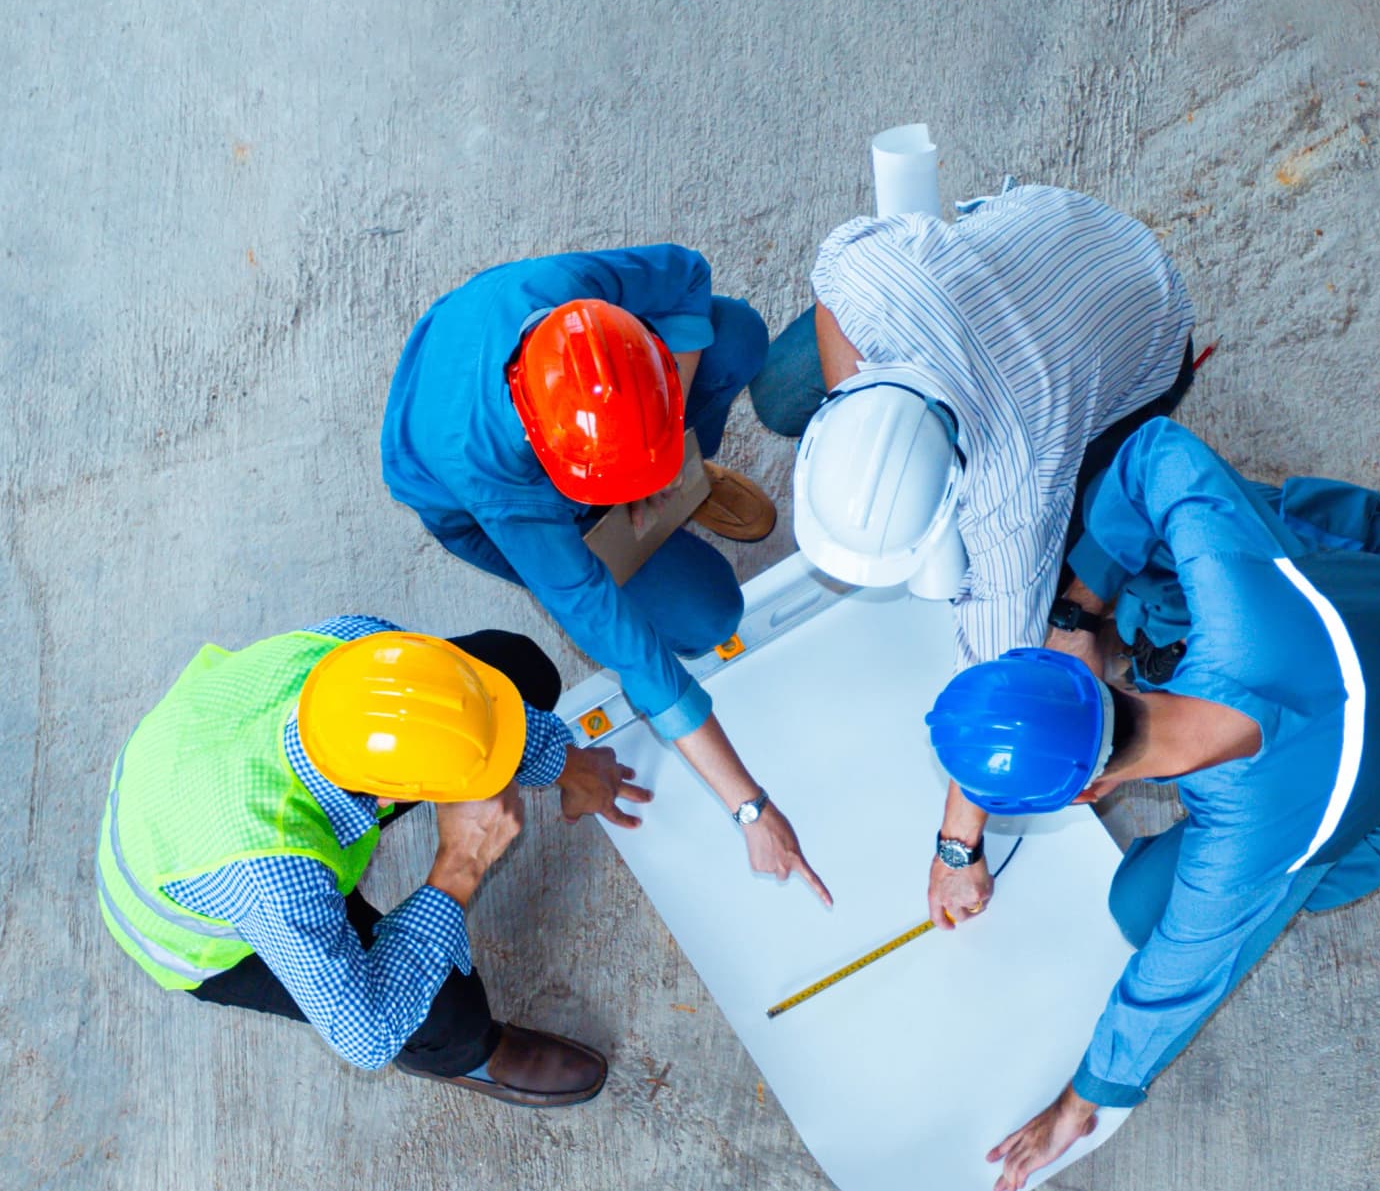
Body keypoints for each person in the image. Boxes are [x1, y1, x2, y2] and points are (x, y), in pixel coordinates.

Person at [917, 420, 1380, 1191]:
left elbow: (1170, 987)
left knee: (1141, 908)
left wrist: (1072, 1107)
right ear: (1098, 680)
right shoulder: (1242, 599)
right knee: (1162, 555)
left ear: (1089, 792)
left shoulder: (1242, 856)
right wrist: (1077, 613)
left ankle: (1371, 825)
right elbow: (1156, 452)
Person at [741, 183, 1198, 920]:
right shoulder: (869, 275)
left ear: (954, 502)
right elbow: (831, 287)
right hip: (1057, 242)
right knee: (778, 386)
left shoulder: (1013, 508)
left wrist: (958, 849)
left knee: (1077, 559)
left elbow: (1001, 697)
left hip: (1145, 319)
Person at [383, 246, 831, 903]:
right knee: (710, 615)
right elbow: (637, 656)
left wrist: (667, 442)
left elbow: (688, 278)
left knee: (735, 334)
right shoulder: (503, 485)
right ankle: (658, 492)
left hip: (556, 424)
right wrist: (752, 809)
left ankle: (686, 481)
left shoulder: (570, 297)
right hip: (482, 494)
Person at [94, 615, 655, 1106]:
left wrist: (568, 763)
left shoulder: (356, 646)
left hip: (193, 769)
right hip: (193, 921)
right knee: (437, 1008)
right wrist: (459, 865)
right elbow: (364, 1035)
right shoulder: (276, 878)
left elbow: (451, 708)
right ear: (389, 799)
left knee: (515, 670)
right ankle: (464, 1056)